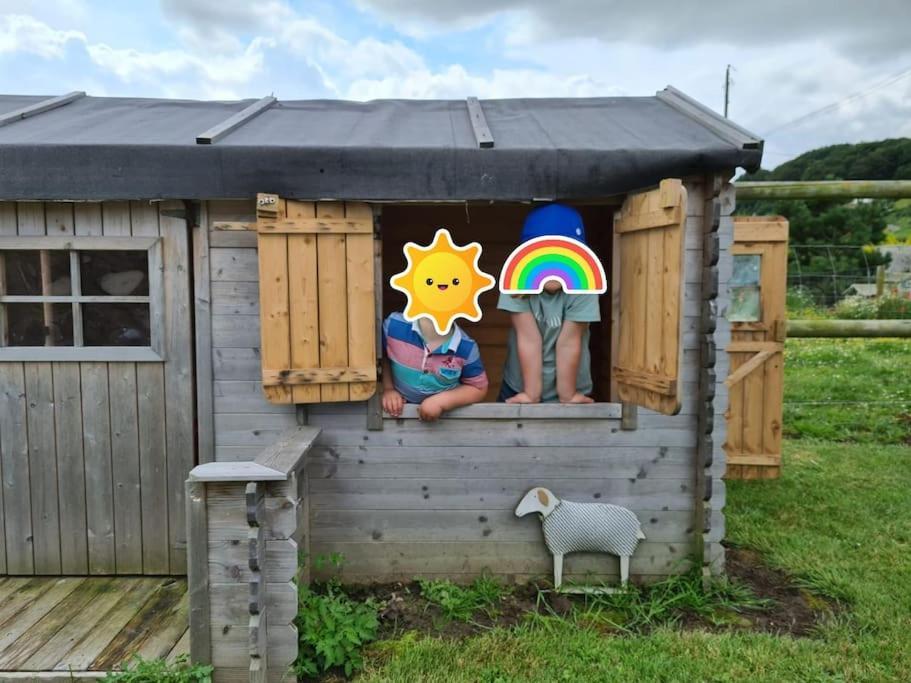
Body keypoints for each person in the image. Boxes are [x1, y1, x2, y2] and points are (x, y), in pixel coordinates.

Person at [497, 204, 601, 404]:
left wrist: (568, 395)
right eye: (543, 256)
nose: (553, 267)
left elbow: (569, 342)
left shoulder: (585, 286)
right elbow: (529, 339)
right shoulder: (515, 283)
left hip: (571, 388)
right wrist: (531, 394)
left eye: (563, 256)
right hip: (519, 386)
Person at [381, 312, 488, 421]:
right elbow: (383, 356)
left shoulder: (466, 348)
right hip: (399, 410)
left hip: (444, 419)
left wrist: (440, 402)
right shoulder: (394, 325)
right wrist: (388, 389)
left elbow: (478, 388)